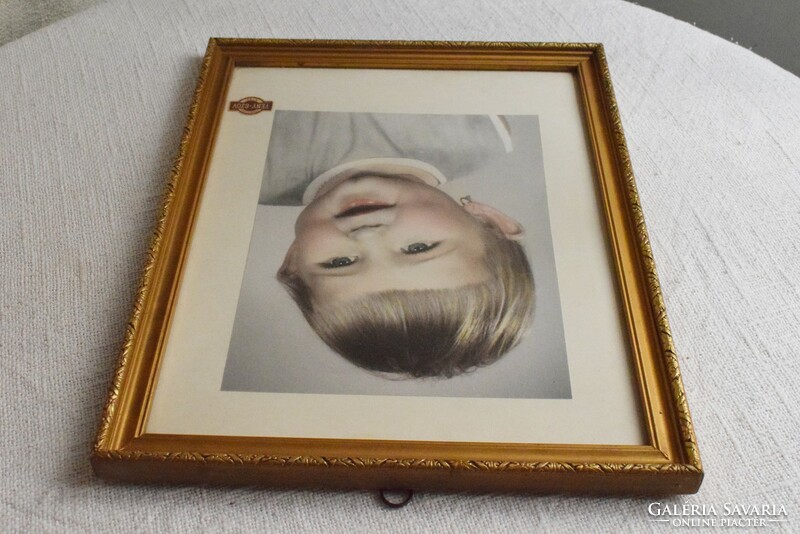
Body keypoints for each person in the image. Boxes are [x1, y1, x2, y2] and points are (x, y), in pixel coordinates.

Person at [268, 112, 534, 378]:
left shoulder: (253, 168)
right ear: (489, 222)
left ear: (293, 261)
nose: (367, 234)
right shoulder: (478, 132)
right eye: (418, 248)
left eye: (340, 263)